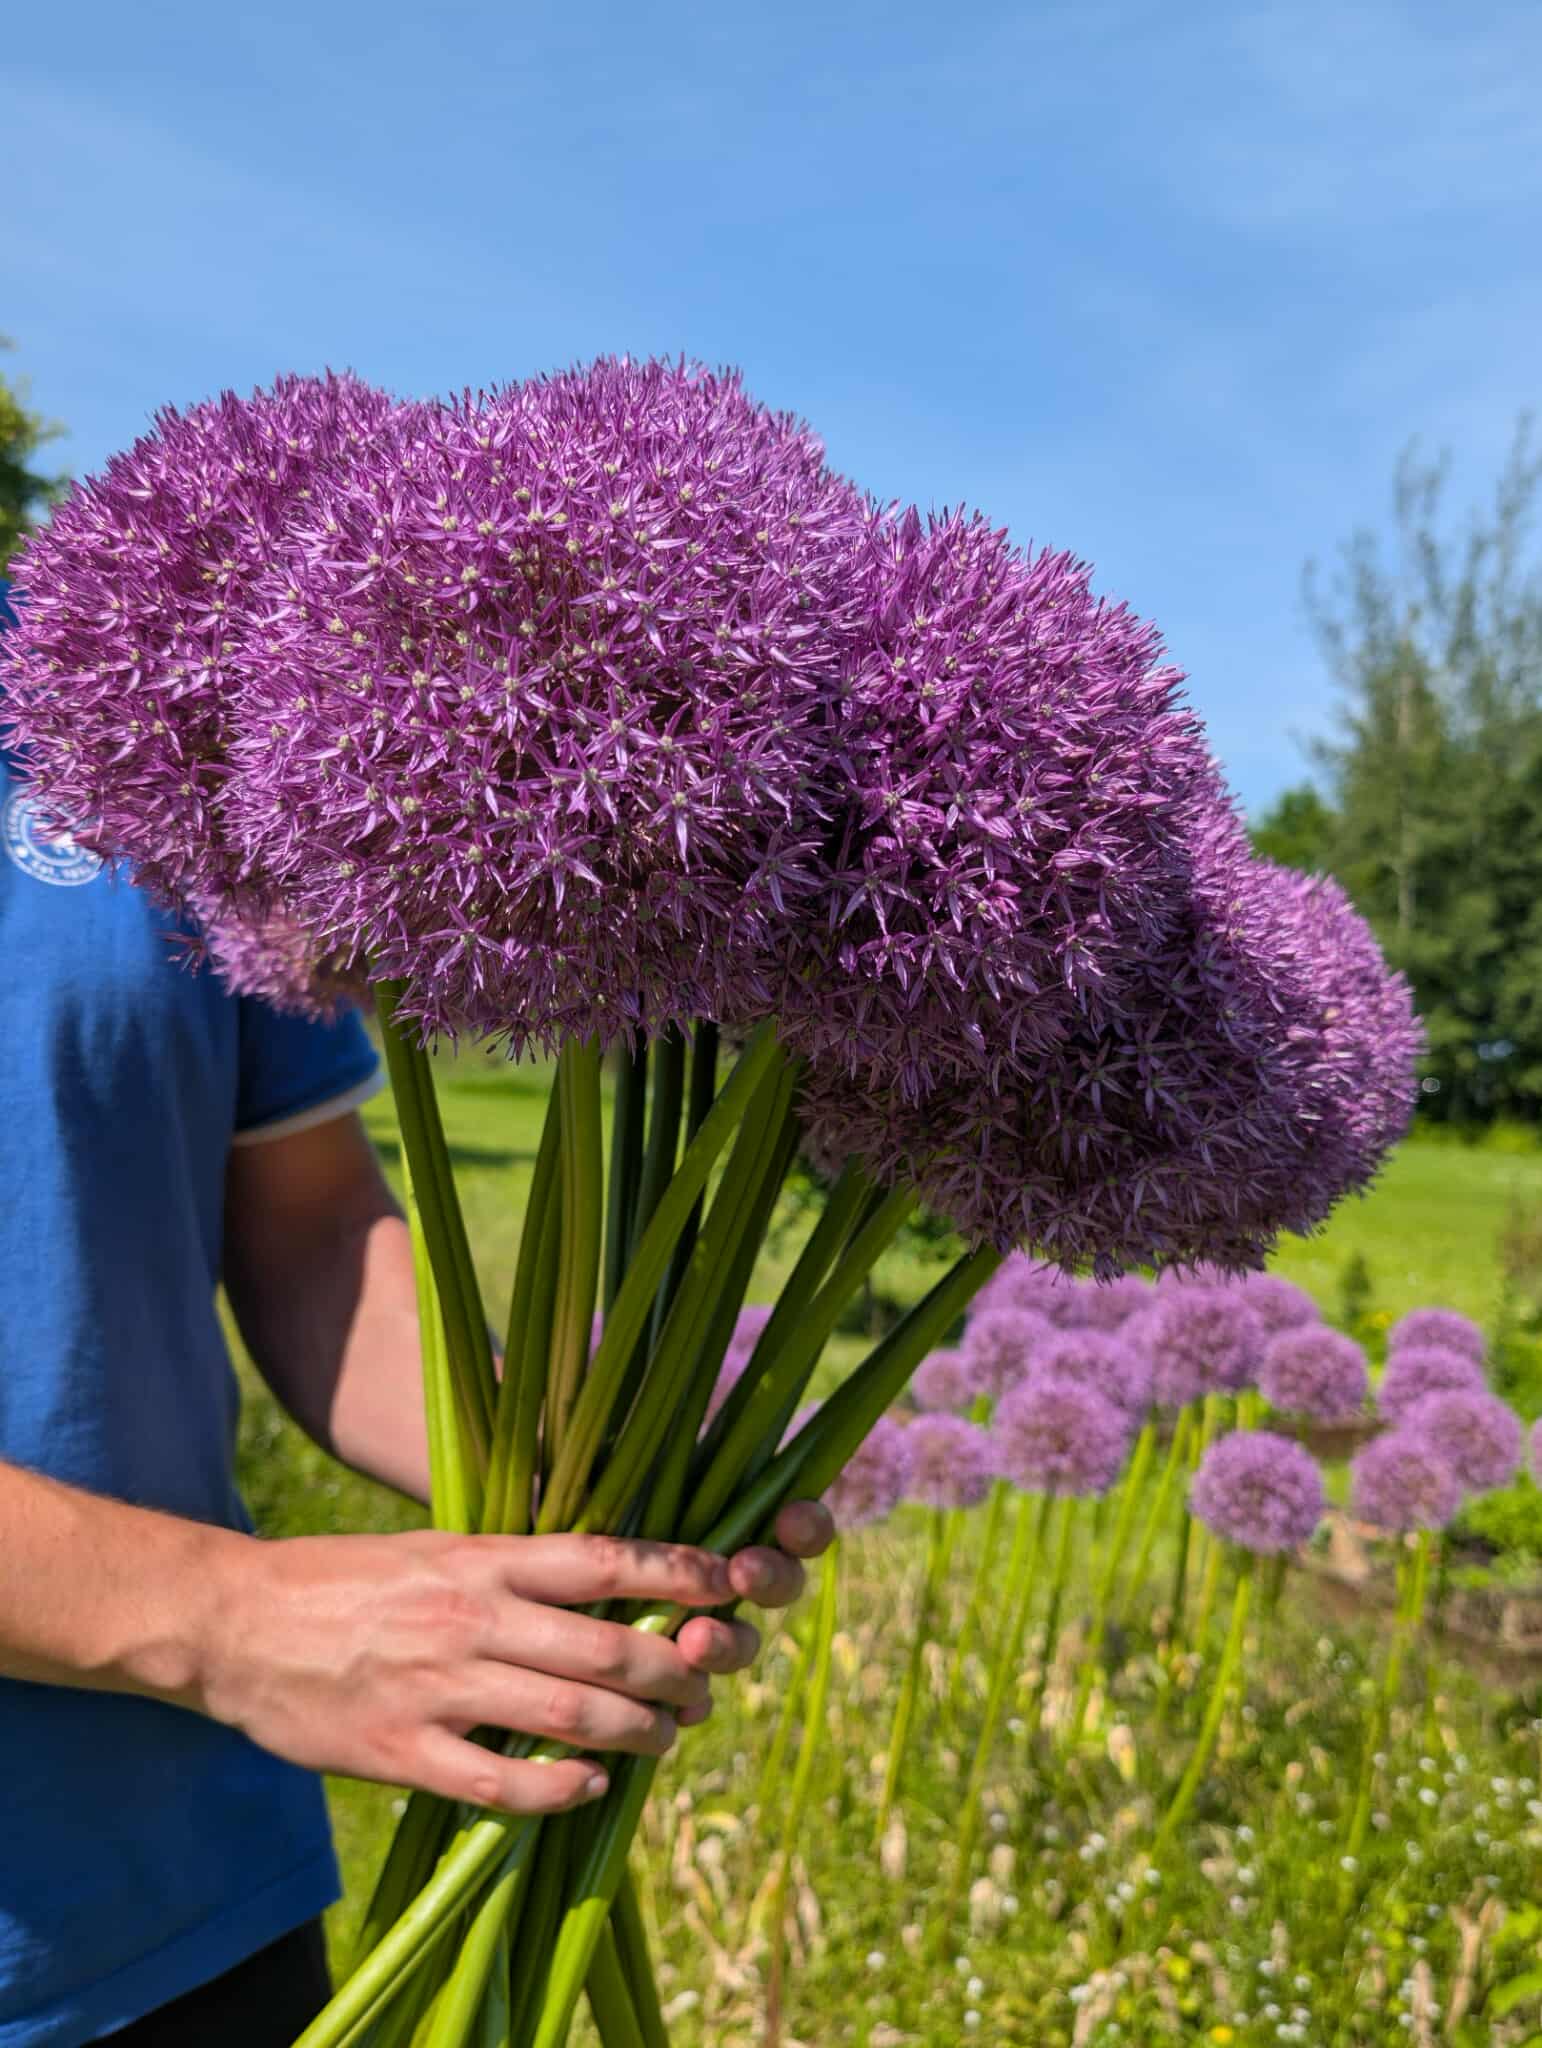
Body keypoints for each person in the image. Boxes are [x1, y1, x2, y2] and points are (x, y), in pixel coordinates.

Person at [0, 580, 832, 2047]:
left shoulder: (123, 675)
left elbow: (311, 1227)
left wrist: (600, 1477)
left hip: (195, 1901)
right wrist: (222, 1619)